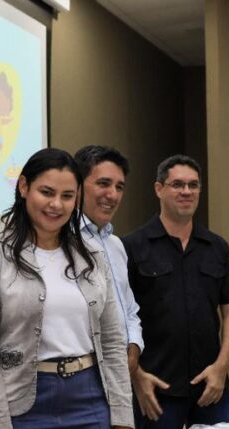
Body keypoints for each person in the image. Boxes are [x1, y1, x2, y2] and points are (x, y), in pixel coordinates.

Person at [0, 148, 134, 429]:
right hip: (21, 404)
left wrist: (123, 418)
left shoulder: (93, 258)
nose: (56, 204)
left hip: (89, 400)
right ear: (24, 187)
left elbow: (113, 341)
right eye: (47, 192)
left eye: (67, 196)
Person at [123, 155, 229, 429]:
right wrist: (136, 376)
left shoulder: (216, 247)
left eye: (193, 185)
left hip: (211, 386)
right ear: (159, 189)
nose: (186, 191)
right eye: (177, 184)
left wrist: (222, 367)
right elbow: (118, 319)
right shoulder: (132, 247)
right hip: (156, 390)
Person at [73, 145, 143, 378]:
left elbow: (129, 307)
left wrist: (134, 345)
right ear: (77, 186)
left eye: (119, 187)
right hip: (81, 372)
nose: (112, 195)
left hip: (120, 372)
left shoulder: (116, 245)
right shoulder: (61, 241)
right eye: (103, 183)